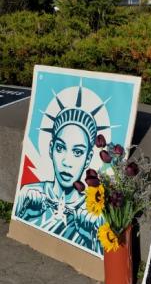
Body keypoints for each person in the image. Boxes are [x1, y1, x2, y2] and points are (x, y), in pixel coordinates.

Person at [15, 104, 106, 255]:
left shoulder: (92, 215)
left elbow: (101, 260)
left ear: (88, 158)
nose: (66, 162)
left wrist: (90, 237)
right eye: (60, 148)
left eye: (77, 152)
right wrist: (25, 214)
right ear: (51, 148)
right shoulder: (30, 193)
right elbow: (17, 229)